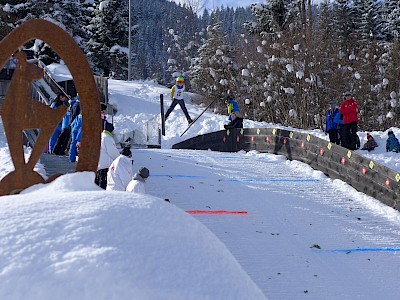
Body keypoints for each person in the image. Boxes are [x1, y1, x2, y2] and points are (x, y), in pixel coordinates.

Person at [96, 121, 120, 189]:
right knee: (103, 184)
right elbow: (112, 151)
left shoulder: (101, 136)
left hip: (99, 164)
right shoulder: (107, 138)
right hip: (105, 165)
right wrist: (119, 158)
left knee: (98, 182)